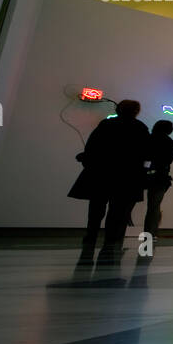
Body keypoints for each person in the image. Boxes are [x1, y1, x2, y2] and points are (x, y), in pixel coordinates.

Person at [68, 99, 149, 257]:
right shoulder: (140, 128)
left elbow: (92, 146)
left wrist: (89, 163)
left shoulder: (107, 125)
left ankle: (91, 236)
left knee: (96, 208)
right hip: (126, 177)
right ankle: (110, 239)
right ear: (136, 112)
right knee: (117, 211)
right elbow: (145, 153)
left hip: (101, 174)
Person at [143, 119, 173, 238]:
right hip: (160, 177)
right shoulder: (171, 143)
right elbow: (168, 160)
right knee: (154, 206)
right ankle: (150, 234)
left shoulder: (147, 139)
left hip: (141, 174)